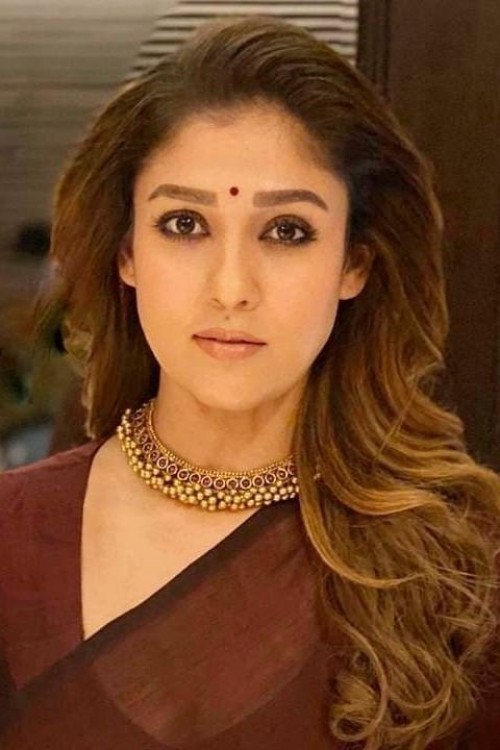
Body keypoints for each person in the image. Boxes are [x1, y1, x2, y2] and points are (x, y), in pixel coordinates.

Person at [0, 14, 499, 749]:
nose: (232, 288)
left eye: (287, 231)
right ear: (126, 253)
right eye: (184, 224)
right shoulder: (12, 534)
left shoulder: (460, 563)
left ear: (354, 264)